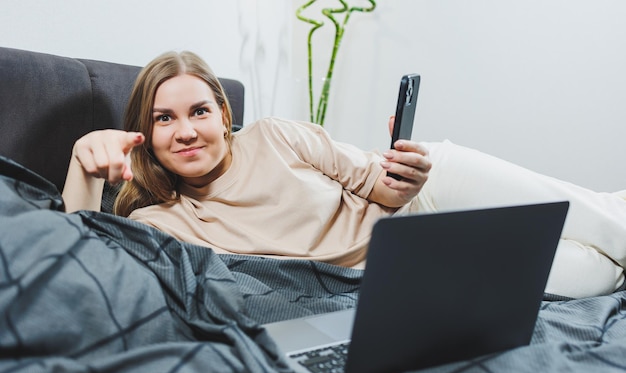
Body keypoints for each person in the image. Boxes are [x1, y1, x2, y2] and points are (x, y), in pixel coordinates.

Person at [63, 51, 626, 300]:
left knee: (601, 218)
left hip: (419, 202)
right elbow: (80, 266)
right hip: (406, 262)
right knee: (593, 275)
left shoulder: (277, 136)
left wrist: (406, 179)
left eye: (199, 111)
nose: (185, 131)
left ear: (224, 116)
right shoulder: (165, 223)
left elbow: (379, 187)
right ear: (146, 133)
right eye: (165, 118)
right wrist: (83, 161)